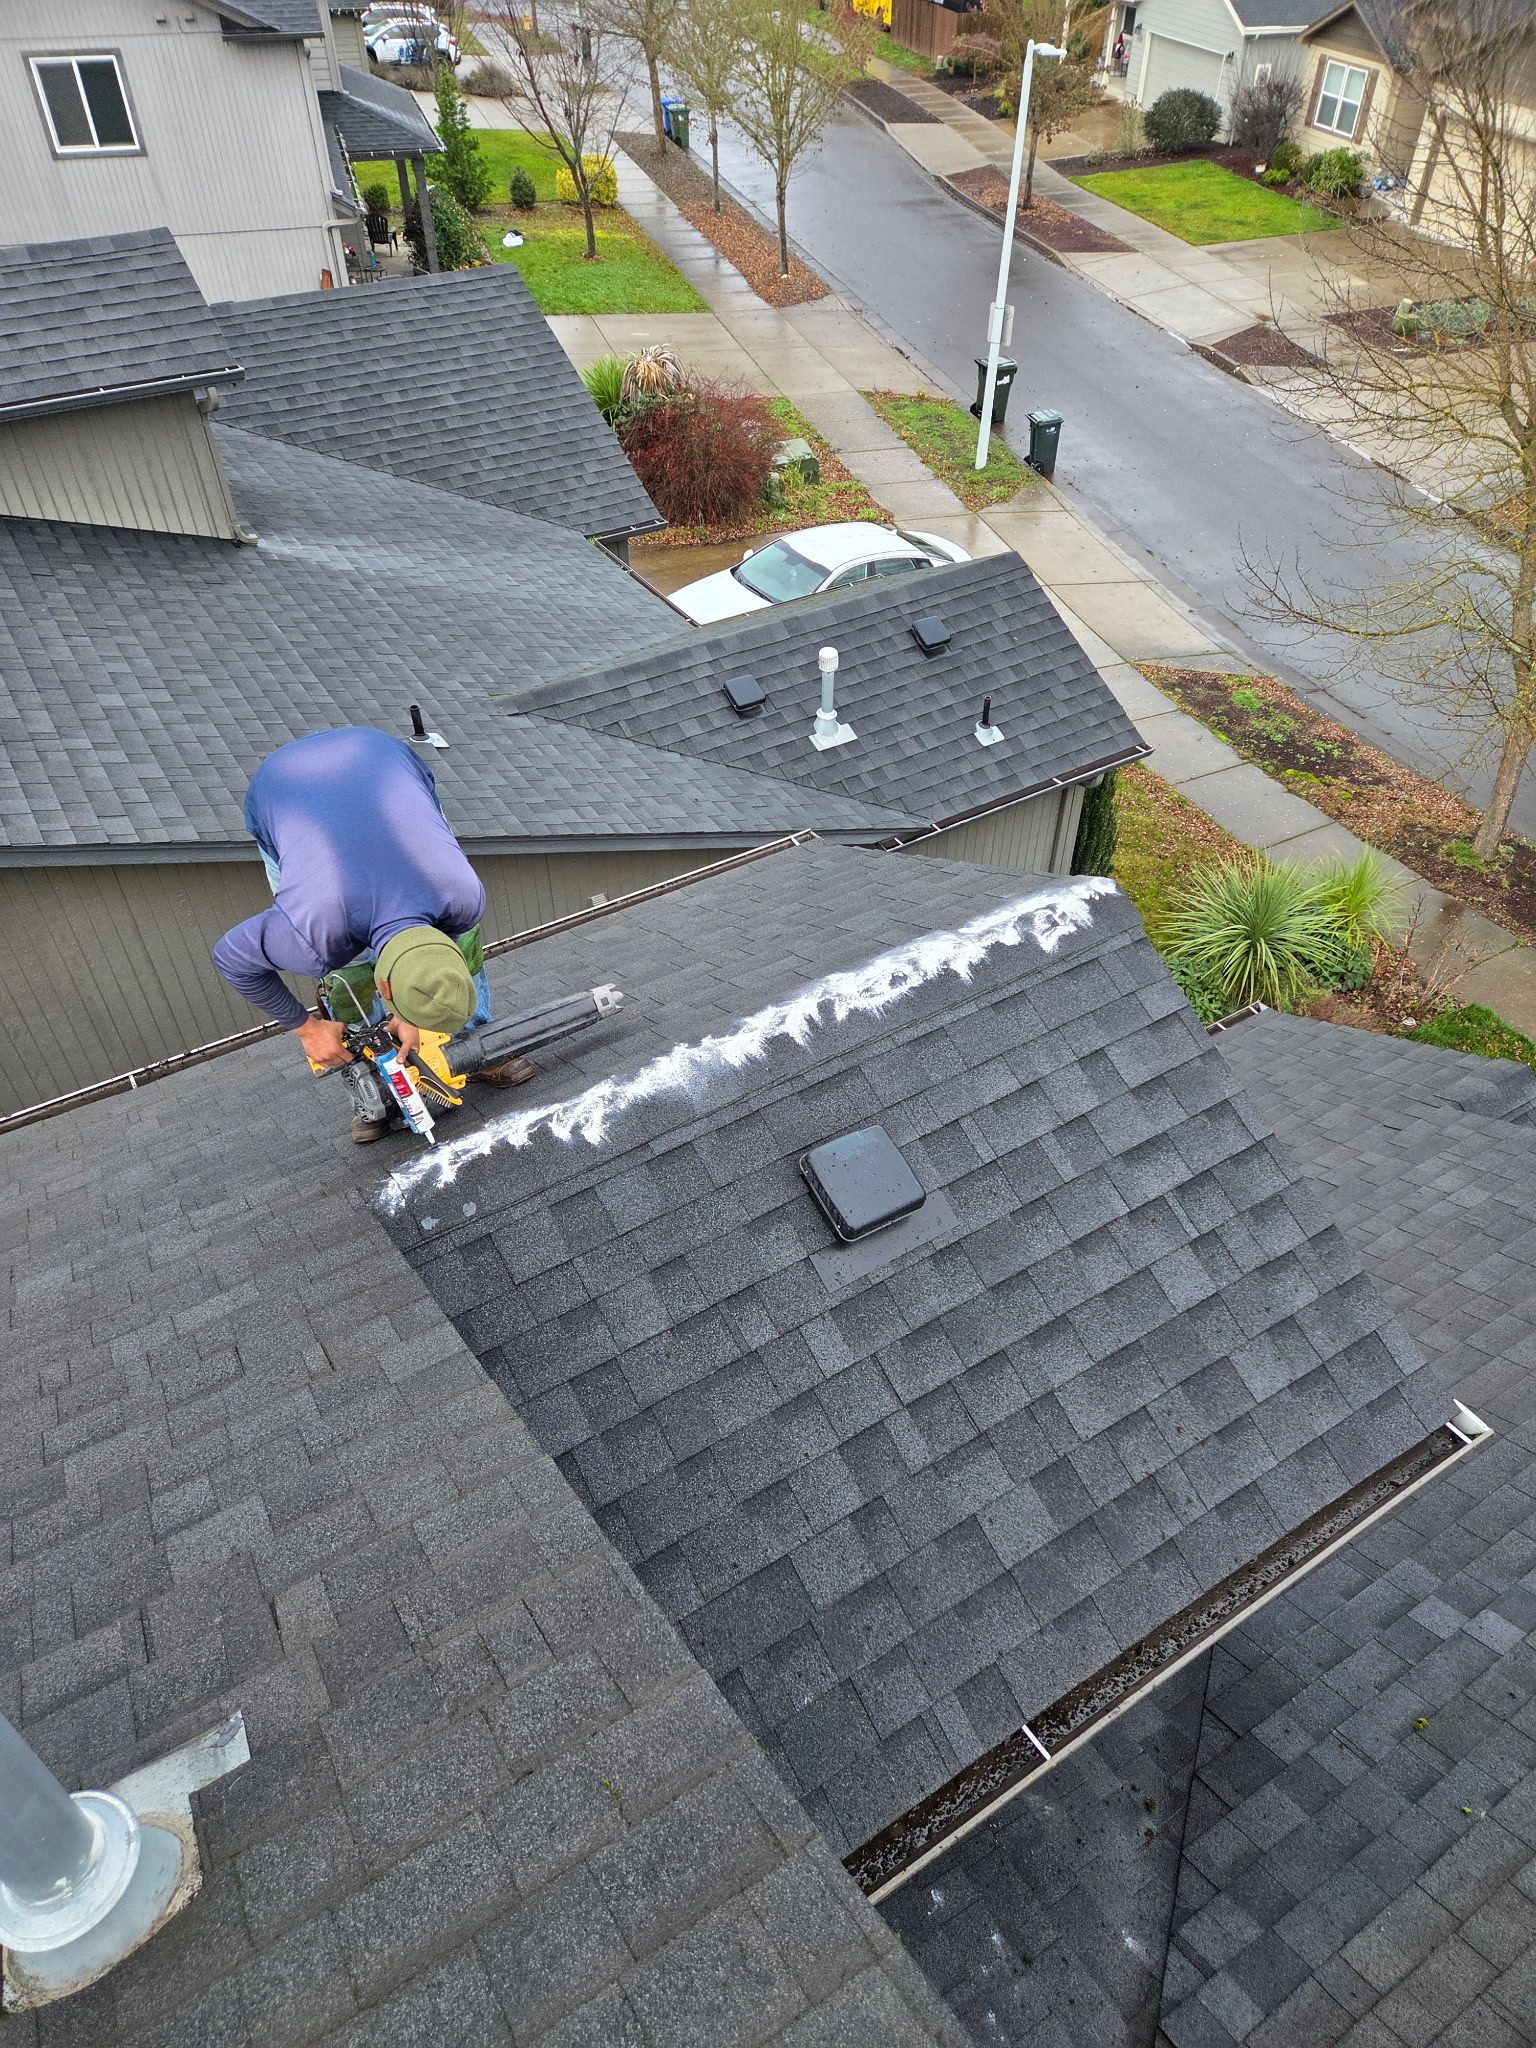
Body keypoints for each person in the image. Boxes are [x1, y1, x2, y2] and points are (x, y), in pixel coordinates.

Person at [213, 727, 529, 1142]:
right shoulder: (313, 936)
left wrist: (411, 1009)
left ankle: (475, 1043)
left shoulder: (462, 897)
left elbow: (440, 955)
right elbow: (230, 958)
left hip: (385, 760)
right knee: (350, 969)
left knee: (459, 947)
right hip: (285, 789)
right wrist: (307, 1029)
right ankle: (374, 1085)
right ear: (387, 986)